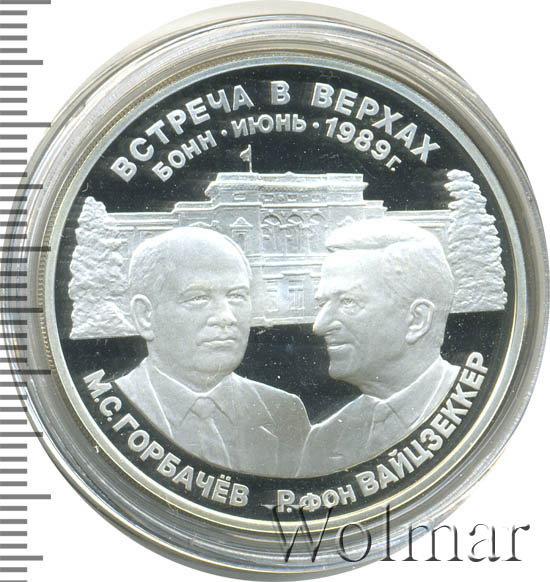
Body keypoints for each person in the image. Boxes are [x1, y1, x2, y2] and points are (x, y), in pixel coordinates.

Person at [114, 227, 310, 477]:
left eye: (236, 296)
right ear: (145, 316)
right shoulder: (113, 411)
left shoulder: (284, 412)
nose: (226, 317)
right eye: (198, 298)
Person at [299, 218, 459, 477]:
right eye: (322, 304)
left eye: (348, 302)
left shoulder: (484, 416)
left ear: (417, 319)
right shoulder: (325, 441)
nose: (320, 326)